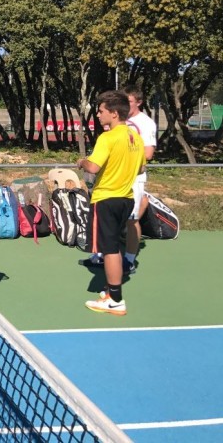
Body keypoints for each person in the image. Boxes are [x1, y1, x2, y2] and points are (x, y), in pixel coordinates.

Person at [77, 91, 145, 316]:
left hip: (106, 199)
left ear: (114, 113)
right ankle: (110, 292)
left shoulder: (107, 137)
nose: (97, 114)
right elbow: (141, 168)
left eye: (101, 111)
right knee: (113, 246)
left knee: (110, 250)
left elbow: (93, 167)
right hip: (126, 198)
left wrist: (82, 161)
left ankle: (115, 300)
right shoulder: (135, 137)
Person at [123, 84, 157, 275]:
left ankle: (129, 260)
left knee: (131, 218)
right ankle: (102, 255)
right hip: (115, 177)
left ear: (139, 102)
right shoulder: (118, 120)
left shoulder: (146, 123)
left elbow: (148, 153)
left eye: (129, 102)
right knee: (107, 218)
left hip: (134, 178)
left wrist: (128, 163)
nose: (125, 106)